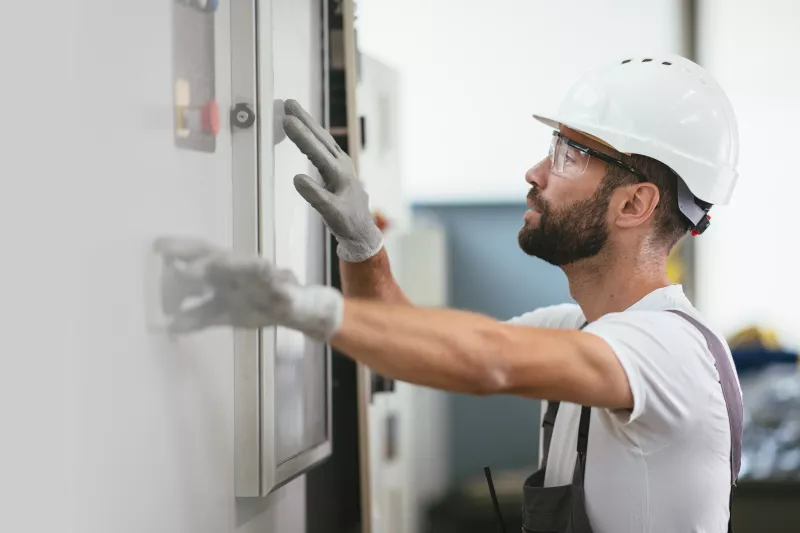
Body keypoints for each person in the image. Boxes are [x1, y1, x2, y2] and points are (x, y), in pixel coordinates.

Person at [154, 54, 742, 533]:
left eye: (567, 153)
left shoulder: (671, 352)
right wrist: (362, 244)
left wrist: (295, 304)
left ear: (634, 204)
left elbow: (491, 359)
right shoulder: (583, 328)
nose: (534, 172)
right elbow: (410, 338)